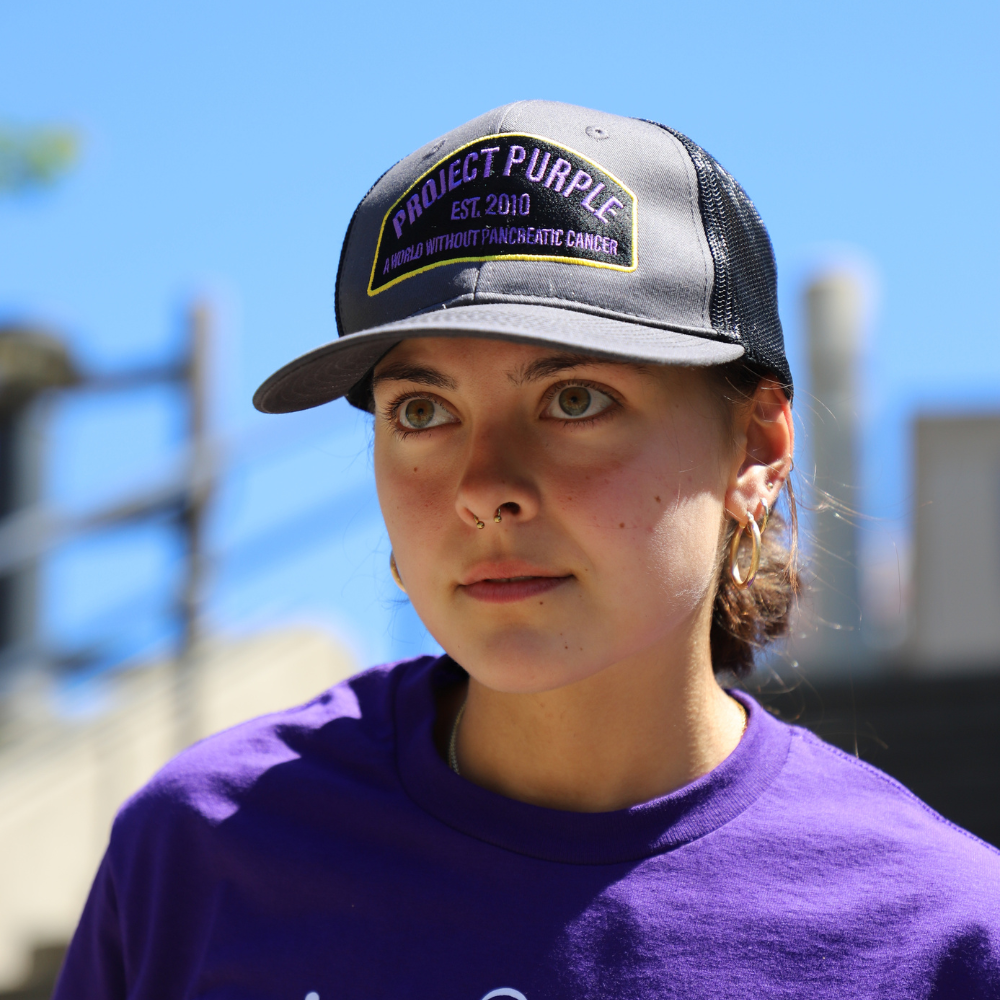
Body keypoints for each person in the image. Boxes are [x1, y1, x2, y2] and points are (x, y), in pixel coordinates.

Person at [55, 101, 999, 999]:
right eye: (422, 412)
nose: (482, 486)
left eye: (575, 399)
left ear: (756, 449)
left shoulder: (945, 936)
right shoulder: (204, 851)